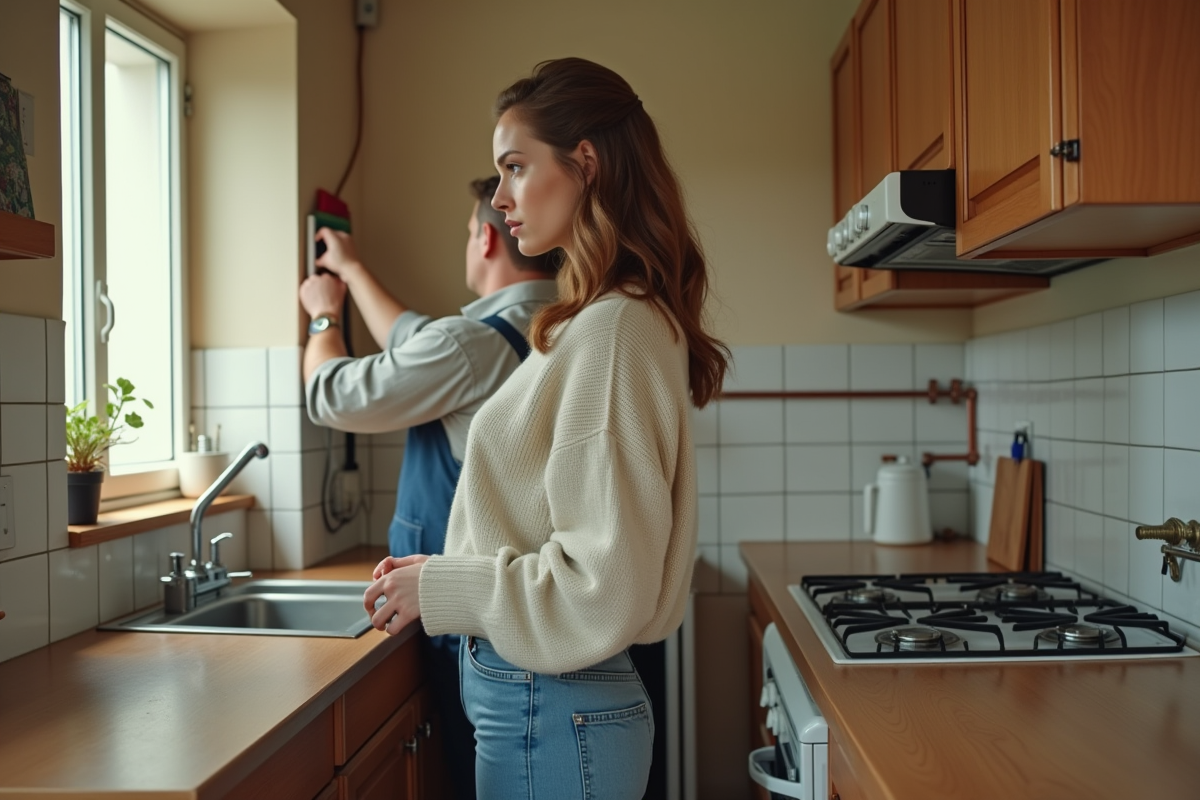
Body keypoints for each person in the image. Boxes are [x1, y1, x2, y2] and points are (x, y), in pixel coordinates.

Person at [363, 57, 729, 799]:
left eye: (516, 167)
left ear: (585, 163)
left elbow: (602, 586)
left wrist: (444, 584)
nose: (501, 197)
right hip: (548, 702)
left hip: (552, 700)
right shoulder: (606, 320)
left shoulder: (615, 331)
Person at [299, 178, 559, 800]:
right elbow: (416, 338)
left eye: (469, 232)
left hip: (455, 606)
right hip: (515, 600)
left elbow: (330, 395)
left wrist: (323, 314)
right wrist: (353, 270)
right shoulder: (548, 326)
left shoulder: (466, 343)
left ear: (487, 237)